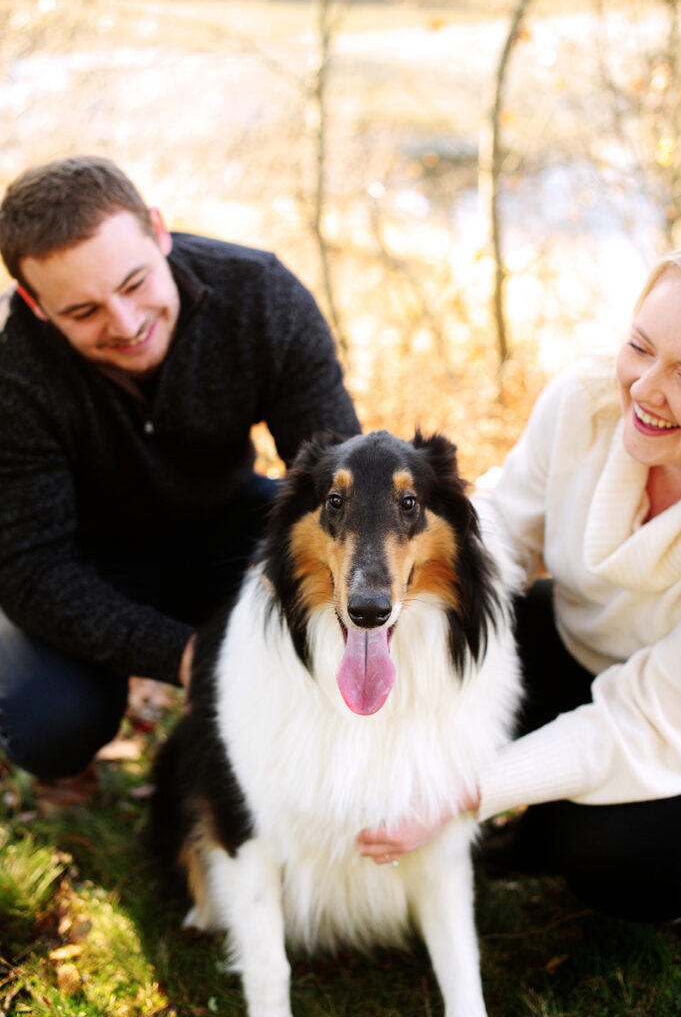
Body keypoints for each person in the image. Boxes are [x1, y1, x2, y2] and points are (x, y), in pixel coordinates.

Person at [0, 155, 360, 783]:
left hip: (227, 525)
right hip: (80, 557)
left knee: (334, 609)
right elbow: (30, 568)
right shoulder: (10, 368)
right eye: (83, 313)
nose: (126, 324)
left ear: (159, 231)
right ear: (34, 302)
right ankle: (69, 767)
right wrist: (191, 655)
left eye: (135, 282)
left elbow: (339, 484)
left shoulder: (261, 295)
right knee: (48, 724)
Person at [359, 250, 681, 923]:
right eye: (639, 348)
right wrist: (398, 605)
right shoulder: (585, 404)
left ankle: (561, 836)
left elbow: (642, 718)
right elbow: (502, 532)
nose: (646, 388)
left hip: (666, 723)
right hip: (581, 649)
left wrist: (460, 791)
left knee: (602, 855)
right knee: (467, 633)